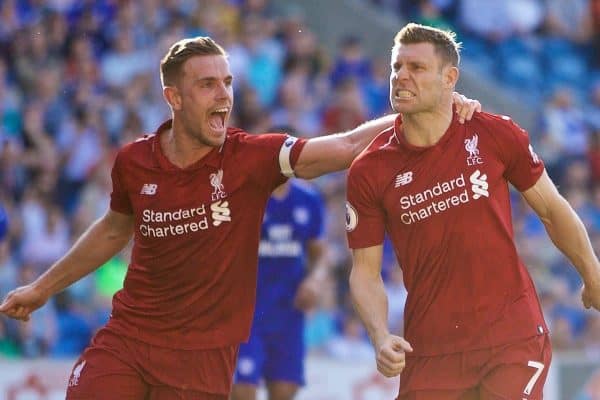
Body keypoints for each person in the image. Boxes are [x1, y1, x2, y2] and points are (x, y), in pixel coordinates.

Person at [0, 36, 480, 399]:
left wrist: (426, 107)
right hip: (128, 338)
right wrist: (41, 288)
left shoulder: (250, 159)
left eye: (227, 82)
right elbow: (111, 229)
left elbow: (349, 147)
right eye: (207, 84)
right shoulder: (134, 161)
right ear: (174, 97)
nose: (223, 95)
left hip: (204, 360)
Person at [345, 23, 600, 400]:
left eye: (417, 68)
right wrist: (380, 334)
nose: (401, 76)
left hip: (512, 337)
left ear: (450, 78)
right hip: (430, 348)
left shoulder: (494, 133)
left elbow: (551, 209)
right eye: (397, 66)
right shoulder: (369, 170)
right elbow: (364, 273)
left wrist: (592, 275)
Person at [231, 178, 328, 400]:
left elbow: (320, 254)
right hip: (246, 313)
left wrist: (315, 280)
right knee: (242, 389)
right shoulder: (244, 196)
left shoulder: (308, 198)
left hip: (288, 312)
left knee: (285, 389)